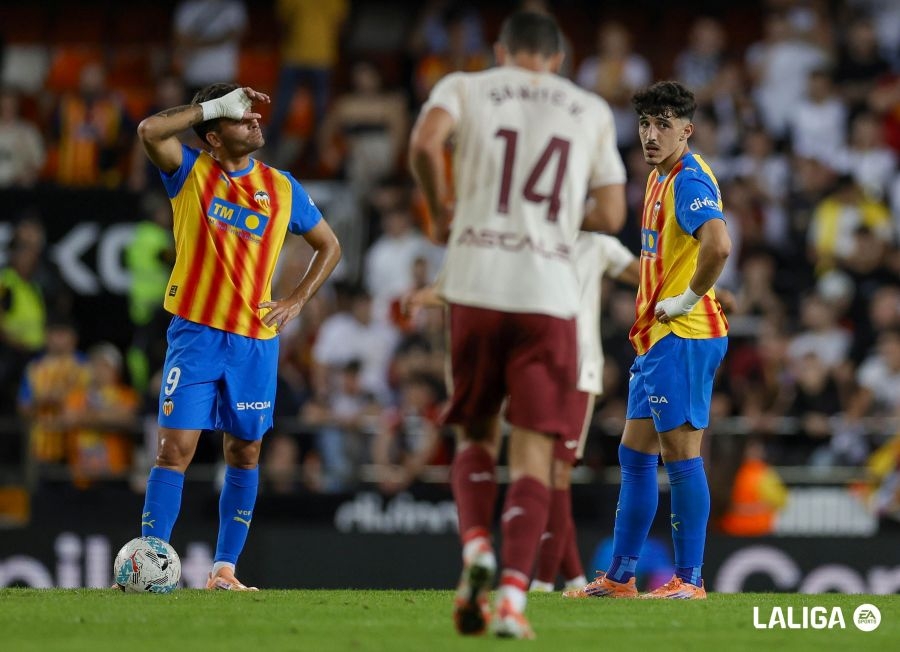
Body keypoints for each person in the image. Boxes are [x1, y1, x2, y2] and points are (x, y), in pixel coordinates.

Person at [409, 11, 625, 638]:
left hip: (475, 281)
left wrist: (440, 209)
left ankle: (476, 546)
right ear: (557, 59)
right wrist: (556, 215)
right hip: (548, 295)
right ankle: (510, 600)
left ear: (501, 51)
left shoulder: (465, 86)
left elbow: (424, 144)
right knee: (534, 454)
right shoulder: (589, 109)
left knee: (475, 433)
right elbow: (612, 211)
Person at [127, 83, 341, 591]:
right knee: (174, 450)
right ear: (214, 136)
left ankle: (224, 569)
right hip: (196, 335)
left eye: (251, 116)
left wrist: (296, 300)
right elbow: (149, 129)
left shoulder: (282, 187)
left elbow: (329, 245)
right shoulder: (189, 172)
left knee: (245, 453)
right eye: (240, 117)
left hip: (254, 343)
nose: (254, 121)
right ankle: (148, 563)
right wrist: (211, 107)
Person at [576, 81, 730, 600]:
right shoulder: (658, 177)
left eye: (664, 124)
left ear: (687, 130)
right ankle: (620, 578)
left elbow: (719, 244)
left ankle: (690, 579)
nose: (651, 134)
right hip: (657, 337)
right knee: (635, 456)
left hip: (684, 334)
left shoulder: (688, 179)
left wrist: (687, 300)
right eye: (645, 123)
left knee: (681, 457)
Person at [530, 234, 639, 594]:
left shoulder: (596, 244)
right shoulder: (536, 234)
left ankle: (545, 580)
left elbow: (646, 274)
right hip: (537, 368)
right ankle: (574, 575)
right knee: (545, 473)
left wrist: (697, 287)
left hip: (578, 371)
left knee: (557, 473)